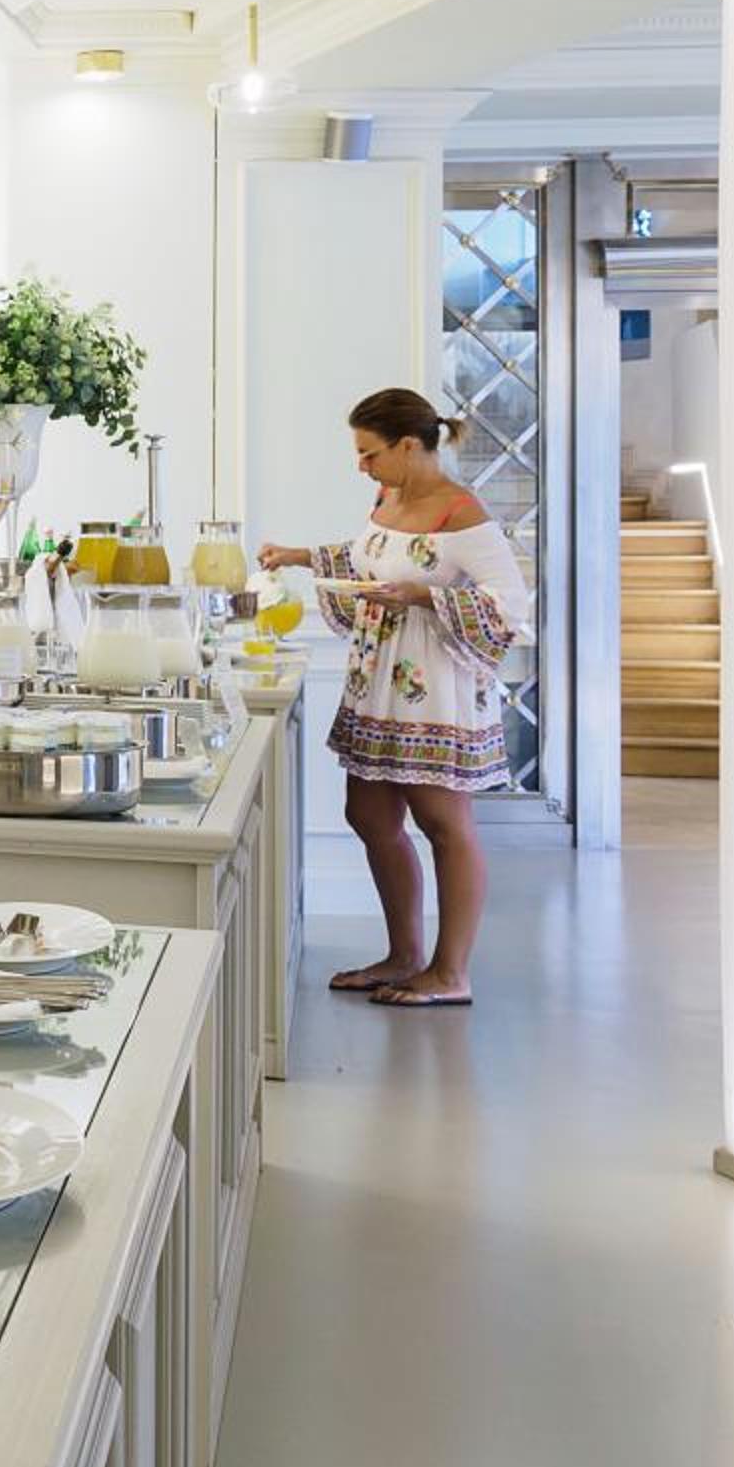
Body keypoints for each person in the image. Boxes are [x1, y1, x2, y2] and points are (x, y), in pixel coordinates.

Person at [258, 388, 529, 1010]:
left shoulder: (461, 513)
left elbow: (510, 607)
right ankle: (404, 955)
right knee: (370, 815)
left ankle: (450, 972)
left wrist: (424, 597)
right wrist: (299, 556)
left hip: (434, 695)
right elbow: (369, 562)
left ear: (409, 445)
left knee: (444, 824)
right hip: (377, 686)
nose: (362, 466)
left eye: (370, 453)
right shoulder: (389, 497)